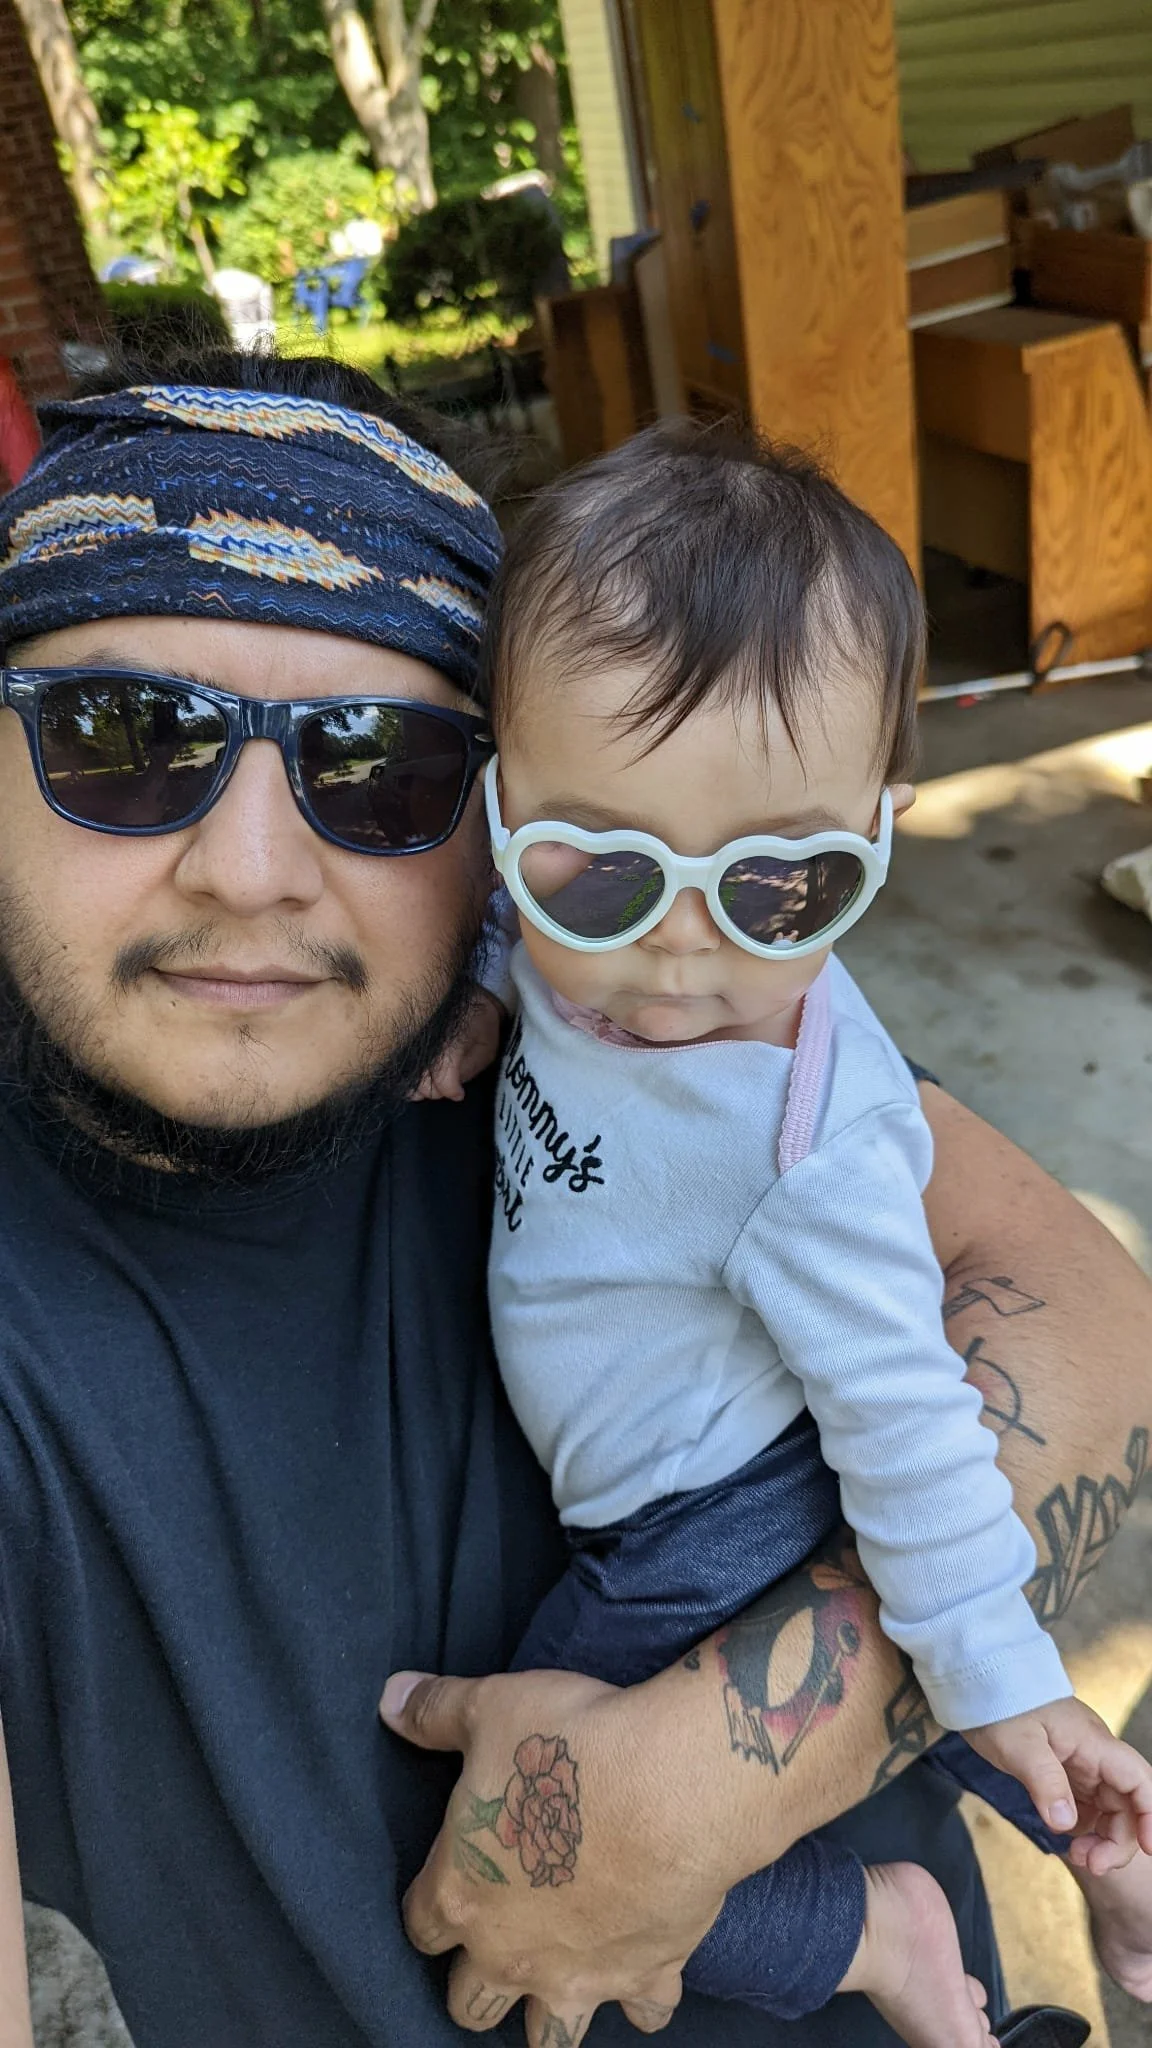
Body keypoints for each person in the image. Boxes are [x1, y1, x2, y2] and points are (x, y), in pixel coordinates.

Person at [0, 352, 1147, 2048]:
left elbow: (1095, 1316)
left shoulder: (654, 1003)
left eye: (376, 764)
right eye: (123, 738)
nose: (249, 870)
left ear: (475, 809)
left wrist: (700, 1783)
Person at [422, 422, 1152, 2047]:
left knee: (548, 1821)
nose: (679, 951)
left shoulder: (814, 1146)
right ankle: (1103, 1831)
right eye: (599, 868)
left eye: (780, 890)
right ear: (504, 801)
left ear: (880, 829)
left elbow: (908, 1421)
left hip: (698, 1514)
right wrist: (483, 989)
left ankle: (873, 1935)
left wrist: (1004, 1649)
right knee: (956, 1697)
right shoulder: (550, 930)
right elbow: (501, 916)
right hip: (725, 1468)